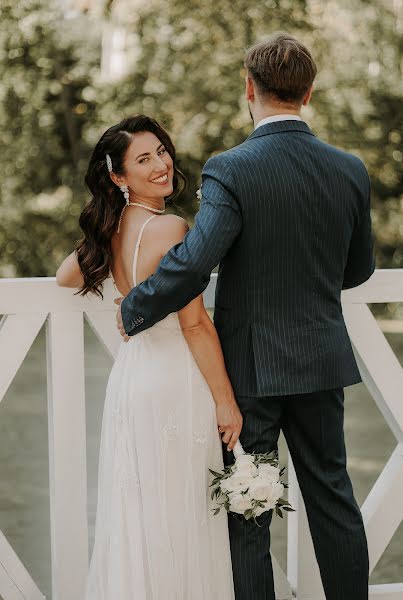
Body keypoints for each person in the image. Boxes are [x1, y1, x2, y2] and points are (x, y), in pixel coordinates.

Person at [115, 33, 375, 600]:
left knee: (249, 510)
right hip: (323, 361)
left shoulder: (230, 168)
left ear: (248, 86)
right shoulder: (349, 168)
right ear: (308, 92)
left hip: (251, 370)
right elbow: (357, 271)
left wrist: (135, 306)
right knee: (334, 500)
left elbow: (192, 264)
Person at [56, 114, 241, 599]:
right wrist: (226, 401)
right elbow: (195, 324)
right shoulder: (171, 227)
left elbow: (65, 277)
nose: (161, 164)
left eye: (161, 151)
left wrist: (107, 236)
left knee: (137, 512)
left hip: (133, 379)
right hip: (177, 381)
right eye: (143, 159)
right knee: (181, 513)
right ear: (119, 176)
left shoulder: (112, 226)